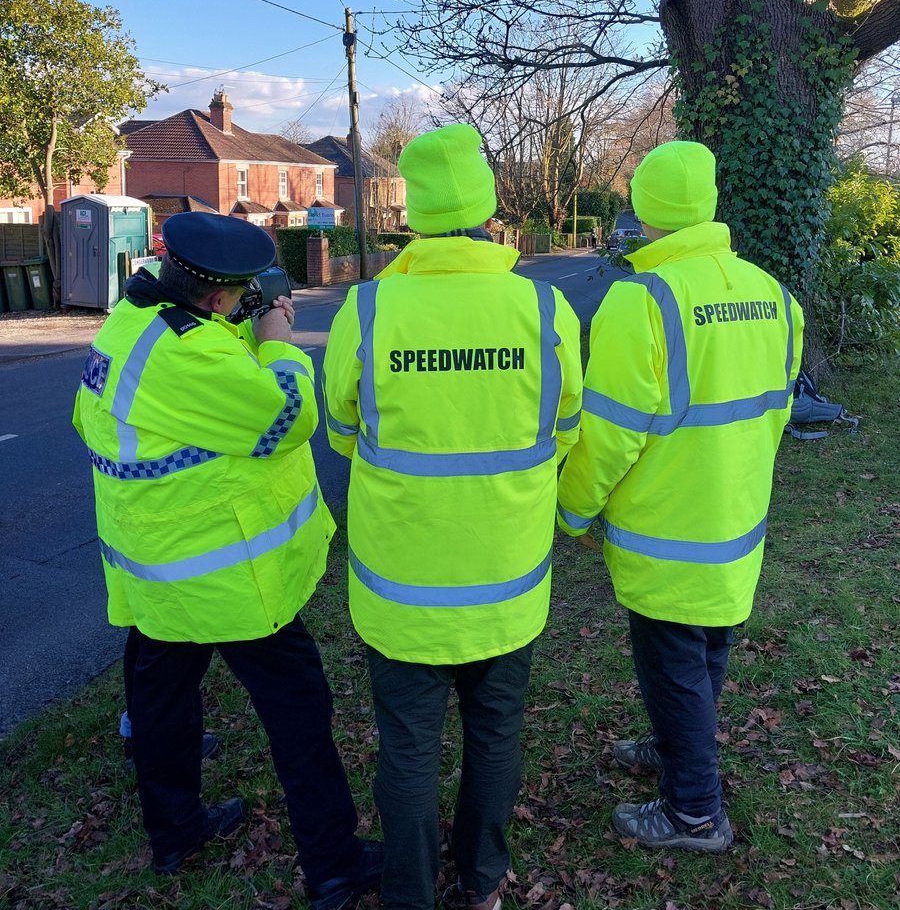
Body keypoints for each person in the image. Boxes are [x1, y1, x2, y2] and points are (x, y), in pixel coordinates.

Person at [73, 211, 382, 906]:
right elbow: (288, 414)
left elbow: (190, 380)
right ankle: (334, 865)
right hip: (229, 578)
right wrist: (276, 337)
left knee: (161, 707)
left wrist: (240, 323)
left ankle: (175, 833)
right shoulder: (191, 357)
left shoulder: (132, 321)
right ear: (215, 296)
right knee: (300, 713)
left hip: (156, 573)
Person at [322, 124, 583, 910]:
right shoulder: (543, 309)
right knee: (496, 735)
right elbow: (564, 429)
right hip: (506, 579)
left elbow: (340, 430)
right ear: (487, 209)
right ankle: (482, 881)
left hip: (400, 586)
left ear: (417, 215)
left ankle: (410, 894)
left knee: (406, 749)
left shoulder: (367, 311)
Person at [557, 141, 803, 854]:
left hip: (665, 534)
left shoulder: (643, 300)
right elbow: (779, 409)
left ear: (644, 212)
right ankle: (676, 745)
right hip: (736, 520)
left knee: (673, 664)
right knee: (705, 654)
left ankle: (694, 811)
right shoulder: (771, 291)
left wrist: (572, 510)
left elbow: (608, 436)